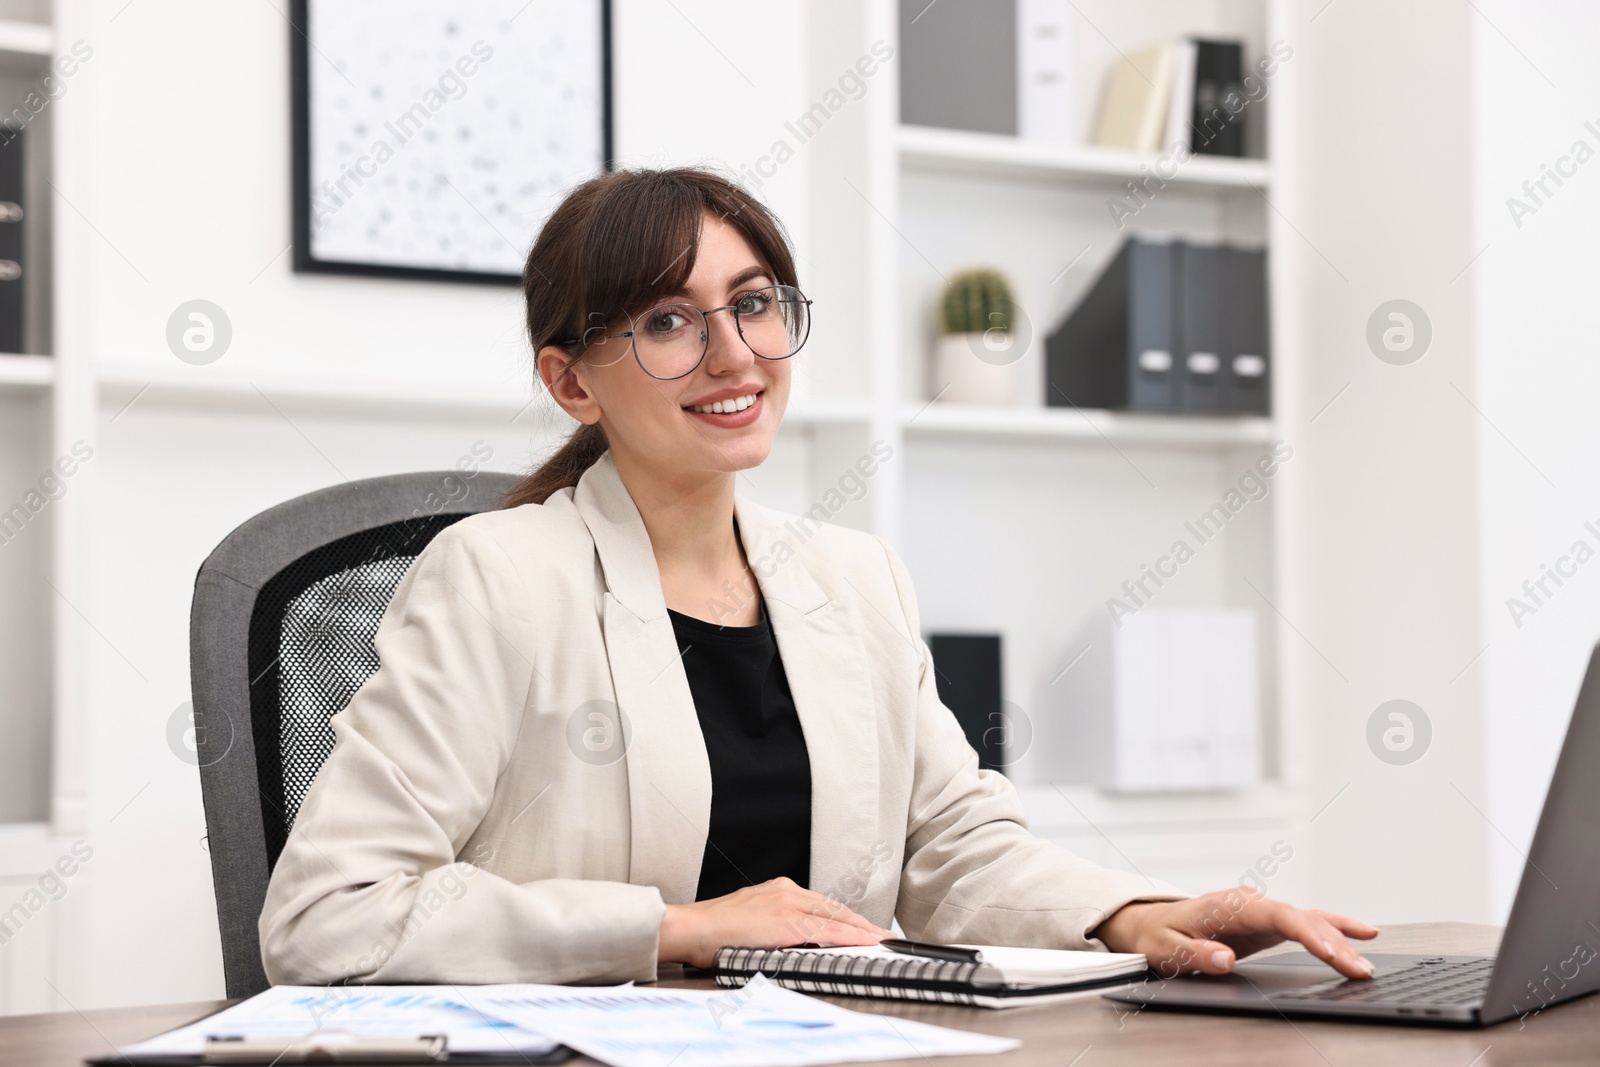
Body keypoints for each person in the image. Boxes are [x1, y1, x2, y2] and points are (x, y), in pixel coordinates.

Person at [259, 166, 1377, 986]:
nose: (734, 353)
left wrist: (1137, 910)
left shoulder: (852, 576)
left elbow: (952, 846)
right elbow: (329, 915)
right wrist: (675, 924)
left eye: (752, 302)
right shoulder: (497, 577)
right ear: (571, 381)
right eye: (666, 320)